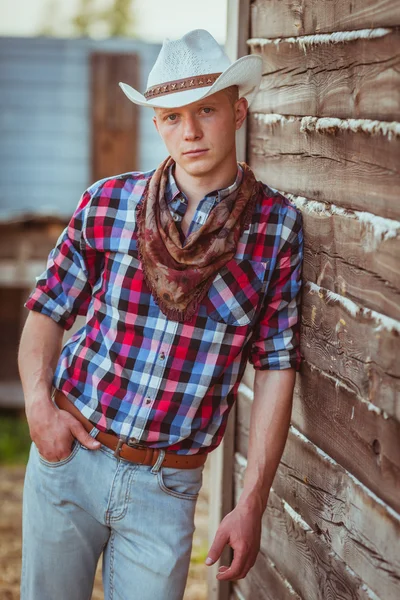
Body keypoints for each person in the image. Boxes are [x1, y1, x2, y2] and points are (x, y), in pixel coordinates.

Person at [18, 29, 303, 600]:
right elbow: (47, 309)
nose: (190, 132)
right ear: (156, 125)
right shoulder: (108, 202)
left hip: (166, 486)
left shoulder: (276, 229)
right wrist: (39, 409)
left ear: (238, 111)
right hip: (71, 457)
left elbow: (275, 365)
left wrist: (251, 504)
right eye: (171, 116)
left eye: (205, 110)